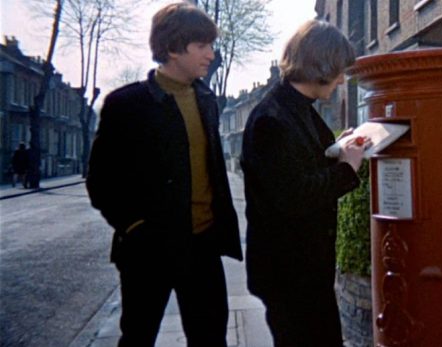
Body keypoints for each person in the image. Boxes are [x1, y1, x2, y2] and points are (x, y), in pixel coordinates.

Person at [85, 3, 242, 347]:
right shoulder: (126, 104)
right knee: (138, 337)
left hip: (202, 247)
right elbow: (101, 180)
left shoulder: (207, 101)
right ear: (173, 48)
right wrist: (135, 228)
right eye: (202, 46)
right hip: (148, 252)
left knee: (211, 338)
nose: (211, 55)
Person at [241, 20, 368, 347]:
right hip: (289, 274)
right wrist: (347, 170)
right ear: (319, 65)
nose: (342, 79)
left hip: (304, 270)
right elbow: (292, 196)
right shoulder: (271, 119)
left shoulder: (296, 110)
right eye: (339, 70)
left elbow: (303, 162)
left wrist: (340, 147)